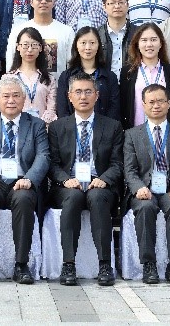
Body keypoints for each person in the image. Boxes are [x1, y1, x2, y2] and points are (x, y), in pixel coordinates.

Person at [0, 75, 50, 284]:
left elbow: (43, 156)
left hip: (22, 180)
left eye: (16, 96)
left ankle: (21, 265)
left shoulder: (36, 125)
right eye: (6, 96)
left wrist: (30, 179)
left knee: (23, 199)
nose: (11, 100)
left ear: (24, 99)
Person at [48, 72, 123, 286]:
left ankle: (105, 264)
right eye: (78, 92)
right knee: (72, 198)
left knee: (97, 197)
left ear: (97, 95)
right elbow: (52, 164)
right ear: (69, 96)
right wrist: (65, 180)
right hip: (67, 184)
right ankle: (68, 264)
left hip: (99, 183)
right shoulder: (57, 127)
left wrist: (104, 179)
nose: (83, 97)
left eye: (88, 92)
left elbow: (118, 163)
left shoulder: (112, 126)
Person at [124, 83, 170, 285]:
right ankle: (149, 264)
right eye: (151, 102)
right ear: (143, 105)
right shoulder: (132, 135)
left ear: (169, 104)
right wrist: (138, 187)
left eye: (161, 101)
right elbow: (129, 169)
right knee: (145, 207)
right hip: (144, 190)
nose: (156, 106)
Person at [119, 23, 170, 128]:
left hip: (166, 131)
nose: (149, 44)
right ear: (137, 44)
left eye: (153, 40)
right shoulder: (128, 72)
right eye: (144, 40)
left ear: (161, 43)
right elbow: (124, 105)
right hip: (135, 132)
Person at [3, 0, 74, 75]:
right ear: (31, 2)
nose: (43, 1)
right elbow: (11, 66)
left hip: (58, 83)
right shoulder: (18, 31)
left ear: (54, 2)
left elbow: (72, 67)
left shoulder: (67, 32)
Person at [55, 27, 120, 120]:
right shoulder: (66, 76)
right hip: (72, 127)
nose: (88, 47)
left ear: (98, 45)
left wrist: (103, 128)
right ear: (76, 45)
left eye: (92, 43)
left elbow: (114, 110)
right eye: (83, 43)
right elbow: (62, 110)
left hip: (104, 128)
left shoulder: (110, 77)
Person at [5, 27, 57, 124]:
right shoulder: (8, 78)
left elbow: (51, 109)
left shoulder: (49, 79)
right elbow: (5, 107)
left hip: (43, 128)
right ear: (18, 47)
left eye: (34, 45)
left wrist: (40, 127)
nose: (29, 49)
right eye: (25, 45)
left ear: (41, 48)